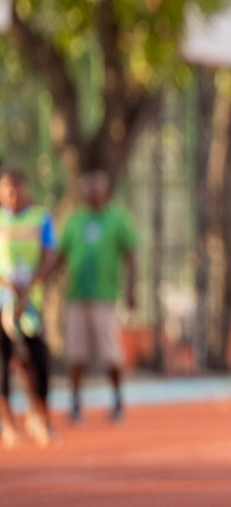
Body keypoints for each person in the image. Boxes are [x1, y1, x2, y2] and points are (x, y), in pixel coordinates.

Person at [54, 169, 138, 423]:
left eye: (97, 188)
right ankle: (76, 403)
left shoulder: (118, 219)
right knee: (76, 354)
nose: (92, 193)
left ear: (106, 190)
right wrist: (45, 282)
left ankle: (117, 401)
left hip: (105, 297)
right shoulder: (74, 220)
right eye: (87, 188)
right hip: (76, 296)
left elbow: (131, 257)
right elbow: (60, 255)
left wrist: (131, 290)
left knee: (110, 353)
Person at [0, 167, 59, 447]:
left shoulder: (41, 217)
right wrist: (9, 286)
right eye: (6, 187)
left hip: (31, 303)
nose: (12, 193)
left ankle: (40, 418)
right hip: (3, 303)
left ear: (25, 187)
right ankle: (8, 424)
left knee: (38, 362)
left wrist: (31, 285)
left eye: (17, 186)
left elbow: (50, 254)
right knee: (2, 364)